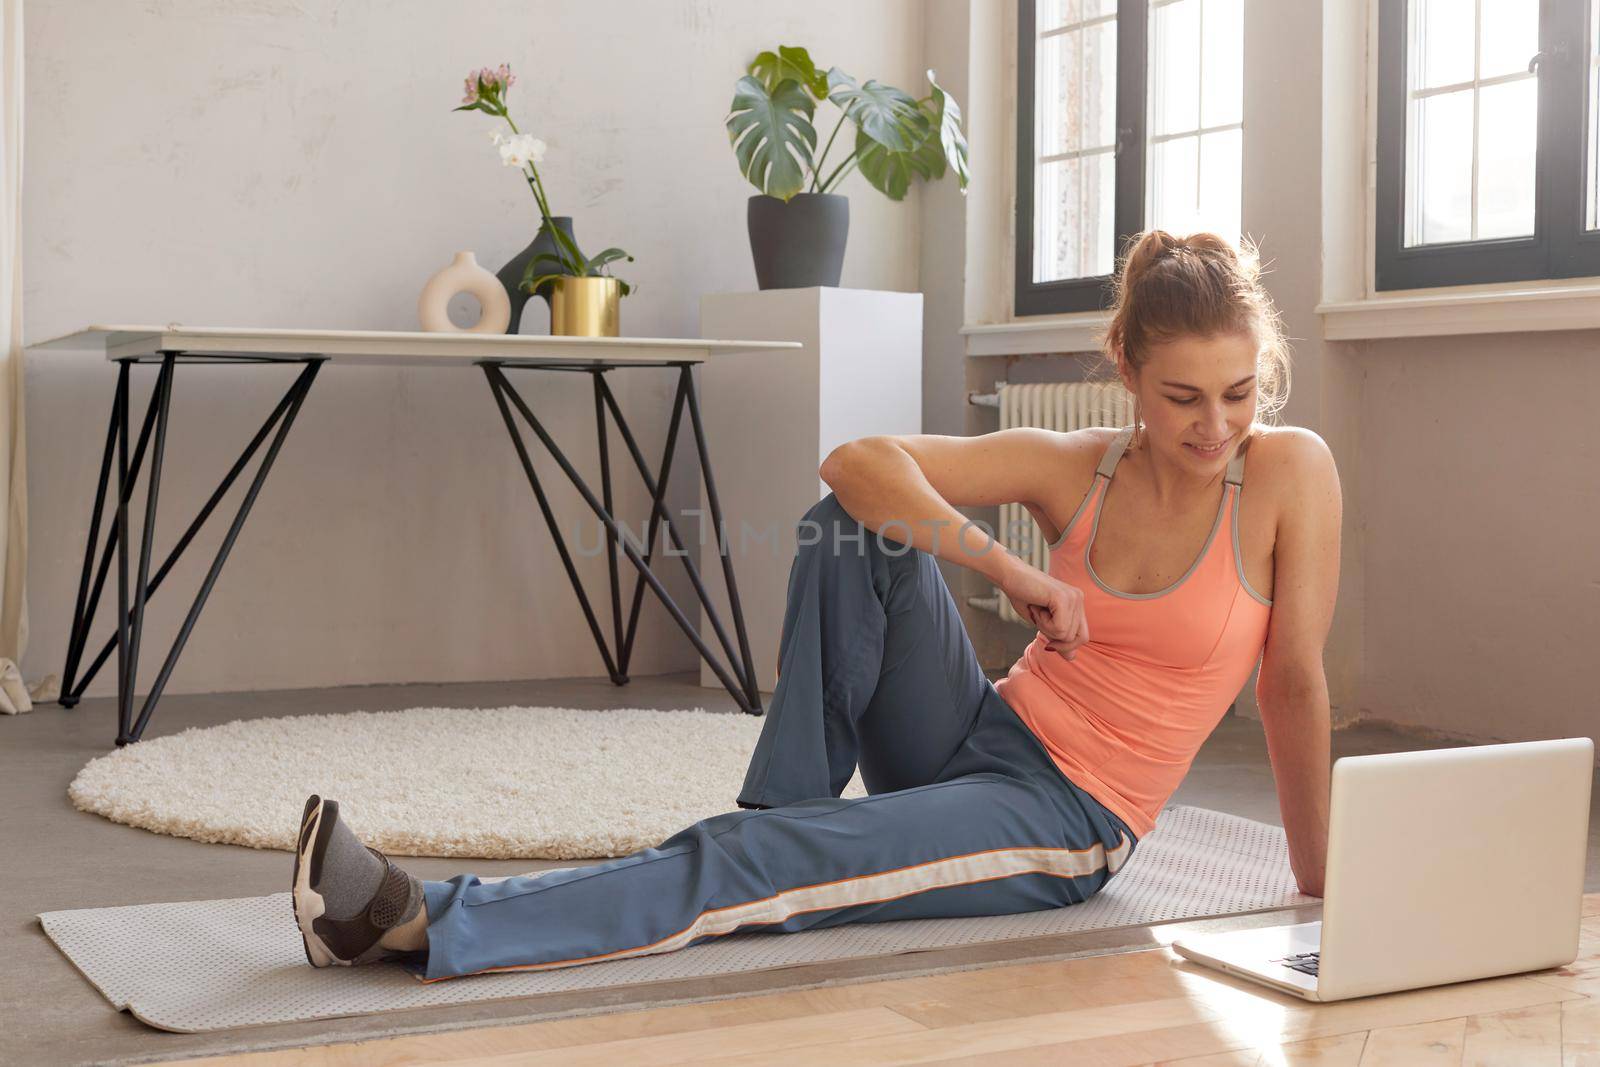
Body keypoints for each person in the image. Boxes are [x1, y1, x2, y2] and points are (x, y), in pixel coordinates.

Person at [290, 228, 1341, 981]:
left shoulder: (1288, 474)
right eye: (1183, 397)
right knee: (849, 520)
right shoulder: (1080, 463)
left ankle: (419, 923)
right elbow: (854, 463)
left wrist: (1319, 882)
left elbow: (1291, 677)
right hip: (978, 727)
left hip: (1066, 815)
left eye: (1240, 392)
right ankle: (786, 821)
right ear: (1127, 372)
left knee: (761, 859)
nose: (1215, 426)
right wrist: (1013, 572)